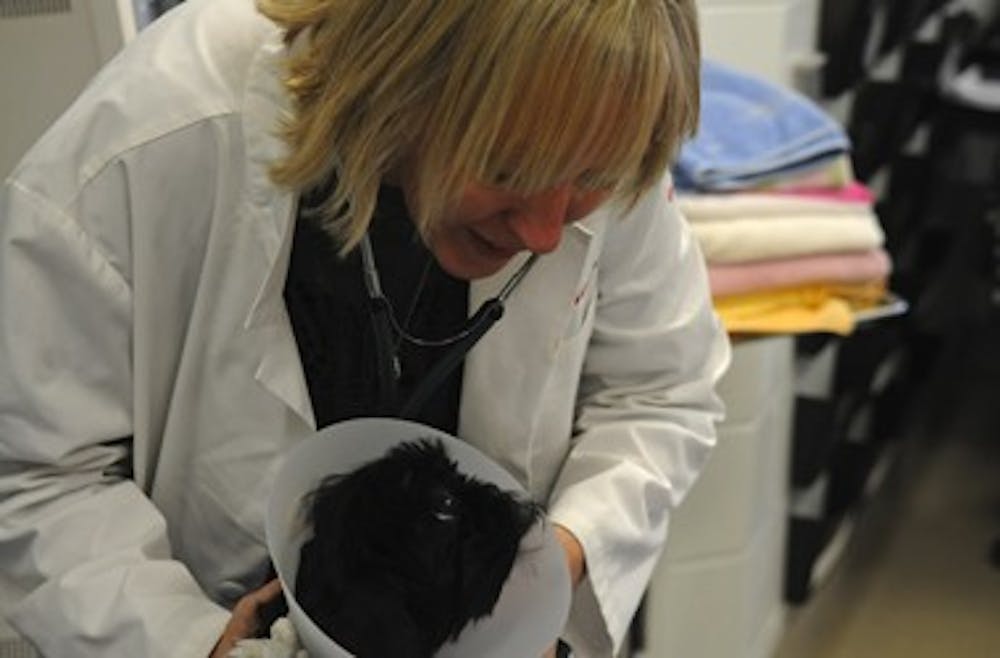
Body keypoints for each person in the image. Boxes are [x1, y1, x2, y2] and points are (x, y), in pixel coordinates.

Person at [0, 0, 730, 656]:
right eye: (508, 168)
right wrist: (196, 644)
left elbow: (660, 392)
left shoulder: (606, 124)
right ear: (401, 77)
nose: (544, 233)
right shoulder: (163, 128)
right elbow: (34, 472)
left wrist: (545, 576)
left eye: (591, 180)